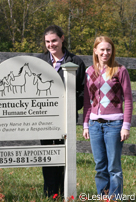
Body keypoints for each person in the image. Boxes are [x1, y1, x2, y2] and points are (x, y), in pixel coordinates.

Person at [37, 25, 86, 197]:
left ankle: (65, 193)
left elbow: (82, 90)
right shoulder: (40, 61)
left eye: (54, 41)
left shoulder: (76, 62)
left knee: (64, 156)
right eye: (48, 42)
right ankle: (50, 194)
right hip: (44, 118)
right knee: (48, 156)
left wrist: (73, 105)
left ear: (62, 39)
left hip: (66, 117)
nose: (51, 45)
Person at [83, 36, 133, 199]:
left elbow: (128, 100)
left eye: (108, 49)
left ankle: (115, 198)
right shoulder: (89, 72)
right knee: (100, 166)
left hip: (114, 125)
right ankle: (102, 197)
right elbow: (87, 101)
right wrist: (85, 124)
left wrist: (125, 126)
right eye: (102, 49)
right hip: (95, 124)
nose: (105, 53)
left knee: (114, 167)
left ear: (112, 51)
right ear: (95, 51)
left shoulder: (120, 70)